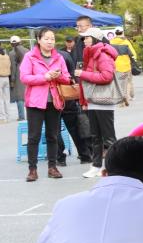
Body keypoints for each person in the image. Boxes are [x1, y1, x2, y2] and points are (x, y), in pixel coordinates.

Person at [19, 27, 70, 182]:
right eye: (46, 38)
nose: (50, 42)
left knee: (53, 136)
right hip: (35, 102)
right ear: (39, 40)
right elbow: (24, 77)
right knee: (33, 137)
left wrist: (58, 76)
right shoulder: (30, 56)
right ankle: (32, 169)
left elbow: (67, 78)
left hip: (54, 101)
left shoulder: (59, 57)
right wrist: (45, 77)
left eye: (52, 39)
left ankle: (52, 167)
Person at [76, 28, 120, 179]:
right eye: (83, 38)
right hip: (94, 100)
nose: (84, 40)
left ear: (95, 38)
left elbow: (106, 76)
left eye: (87, 37)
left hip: (103, 100)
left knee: (108, 137)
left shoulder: (102, 54)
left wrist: (83, 74)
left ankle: (114, 167)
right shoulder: (92, 53)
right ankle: (96, 166)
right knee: (96, 136)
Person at [55, 43, 93, 166]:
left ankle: (60, 157)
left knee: (54, 130)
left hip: (53, 98)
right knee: (75, 129)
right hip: (69, 96)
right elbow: (73, 76)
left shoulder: (47, 58)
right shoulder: (66, 55)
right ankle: (85, 155)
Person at [110, 28, 137, 104]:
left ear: (115, 33)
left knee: (118, 82)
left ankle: (121, 97)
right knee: (128, 82)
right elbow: (133, 54)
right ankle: (128, 96)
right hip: (126, 65)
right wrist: (134, 61)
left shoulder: (111, 42)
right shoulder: (126, 42)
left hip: (116, 66)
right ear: (122, 32)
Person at [9, 36, 29, 121]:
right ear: (20, 42)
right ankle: (29, 115)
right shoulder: (27, 51)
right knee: (28, 95)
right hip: (28, 74)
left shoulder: (11, 53)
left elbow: (13, 67)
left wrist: (12, 80)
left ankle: (21, 116)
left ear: (11, 44)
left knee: (19, 97)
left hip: (18, 75)